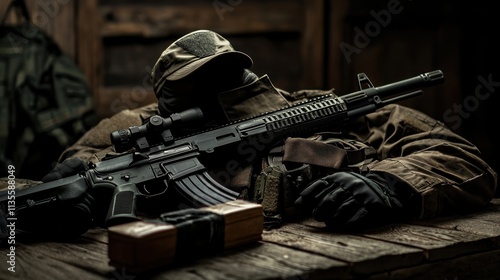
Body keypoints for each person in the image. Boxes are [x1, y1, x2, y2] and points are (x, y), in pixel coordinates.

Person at [3, 29, 497, 233]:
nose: (219, 89)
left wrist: (392, 183)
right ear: (168, 102)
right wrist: (83, 189)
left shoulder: (320, 111)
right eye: (199, 85)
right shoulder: (138, 127)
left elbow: (458, 156)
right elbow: (81, 164)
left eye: (226, 74)